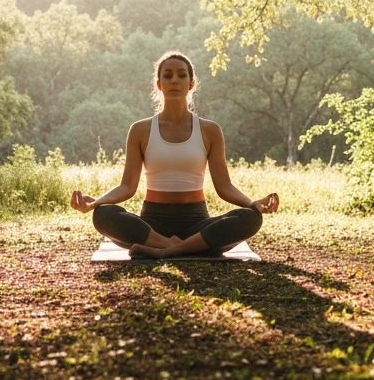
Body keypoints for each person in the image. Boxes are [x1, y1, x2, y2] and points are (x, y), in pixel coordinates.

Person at [70, 51, 280, 258]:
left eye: (181, 75)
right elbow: (127, 187)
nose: (174, 80)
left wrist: (253, 204)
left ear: (191, 83)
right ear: (158, 84)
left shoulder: (210, 130)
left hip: (197, 223)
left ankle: (168, 251)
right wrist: (95, 203)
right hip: (152, 225)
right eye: (167, 75)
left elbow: (224, 187)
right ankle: (178, 246)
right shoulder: (140, 130)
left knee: (250, 218)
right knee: (104, 215)